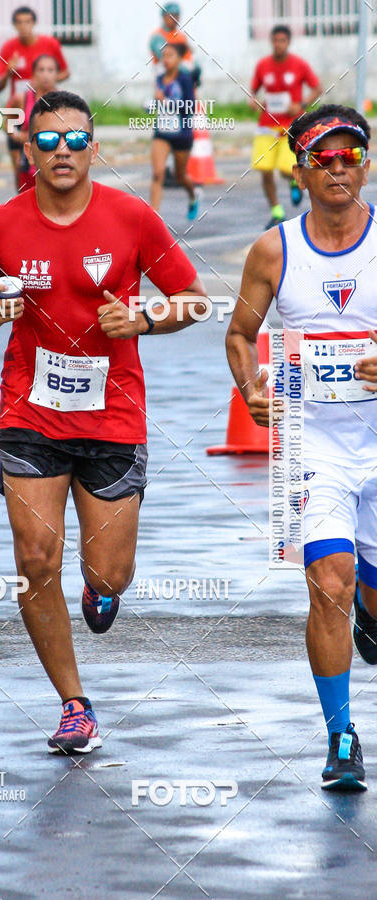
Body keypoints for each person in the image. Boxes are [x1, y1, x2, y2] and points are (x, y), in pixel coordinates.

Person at [0, 90, 206, 755]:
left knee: (109, 572)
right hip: (30, 412)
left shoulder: (133, 217)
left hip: (112, 415)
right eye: (49, 141)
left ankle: (100, 590)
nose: (63, 152)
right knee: (35, 559)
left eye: (77, 140)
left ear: (94, 148)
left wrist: (144, 319)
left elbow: (194, 300)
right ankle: (73, 704)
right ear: (28, 149)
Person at [226, 104, 377, 791]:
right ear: (300, 170)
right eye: (324, 157)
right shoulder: (274, 250)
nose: (339, 168)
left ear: (365, 167)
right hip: (311, 443)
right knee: (328, 582)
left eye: (351, 156)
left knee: (366, 592)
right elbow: (238, 334)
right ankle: (341, 736)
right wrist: (252, 388)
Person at [249, 24, 322, 230]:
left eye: (282, 41)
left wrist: (301, 104)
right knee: (264, 169)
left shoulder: (299, 64)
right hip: (267, 125)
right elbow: (252, 92)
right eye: (275, 40)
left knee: (285, 169)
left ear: (288, 42)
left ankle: (293, 181)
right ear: (271, 42)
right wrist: (254, 101)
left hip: (292, 126)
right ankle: (277, 212)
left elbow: (317, 88)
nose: (278, 44)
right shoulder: (263, 65)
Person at [0, 6, 69, 188]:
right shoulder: (9, 48)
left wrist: (46, 81)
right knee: (20, 169)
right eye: (20, 22)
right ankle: (22, 197)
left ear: (34, 23)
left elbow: (65, 72)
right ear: (14, 25)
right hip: (22, 113)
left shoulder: (49, 44)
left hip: (45, 112)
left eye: (27, 22)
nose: (24, 26)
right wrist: (8, 72)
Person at [150, 43, 198, 219]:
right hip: (162, 132)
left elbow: (190, 106)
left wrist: (166, 101)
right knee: (158, 173)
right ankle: (154, 218)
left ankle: (193, 196)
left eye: (170, 55)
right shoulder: (159, 79)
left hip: (182, 133)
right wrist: (151, 104)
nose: (166, 59)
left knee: (180, 176)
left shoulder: (185, 80)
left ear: (179, 59)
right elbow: (158, 102)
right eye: (164, 55)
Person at [11, 54, 60, 193]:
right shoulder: (22, 98)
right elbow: (8, 120)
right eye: (41, 70)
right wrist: (16, 135)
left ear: (57, 74)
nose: (46, 75)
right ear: (34, 74)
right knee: (26, 202)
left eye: (50, 70)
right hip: (29, 164)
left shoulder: (66, 101)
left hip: (57, 163)